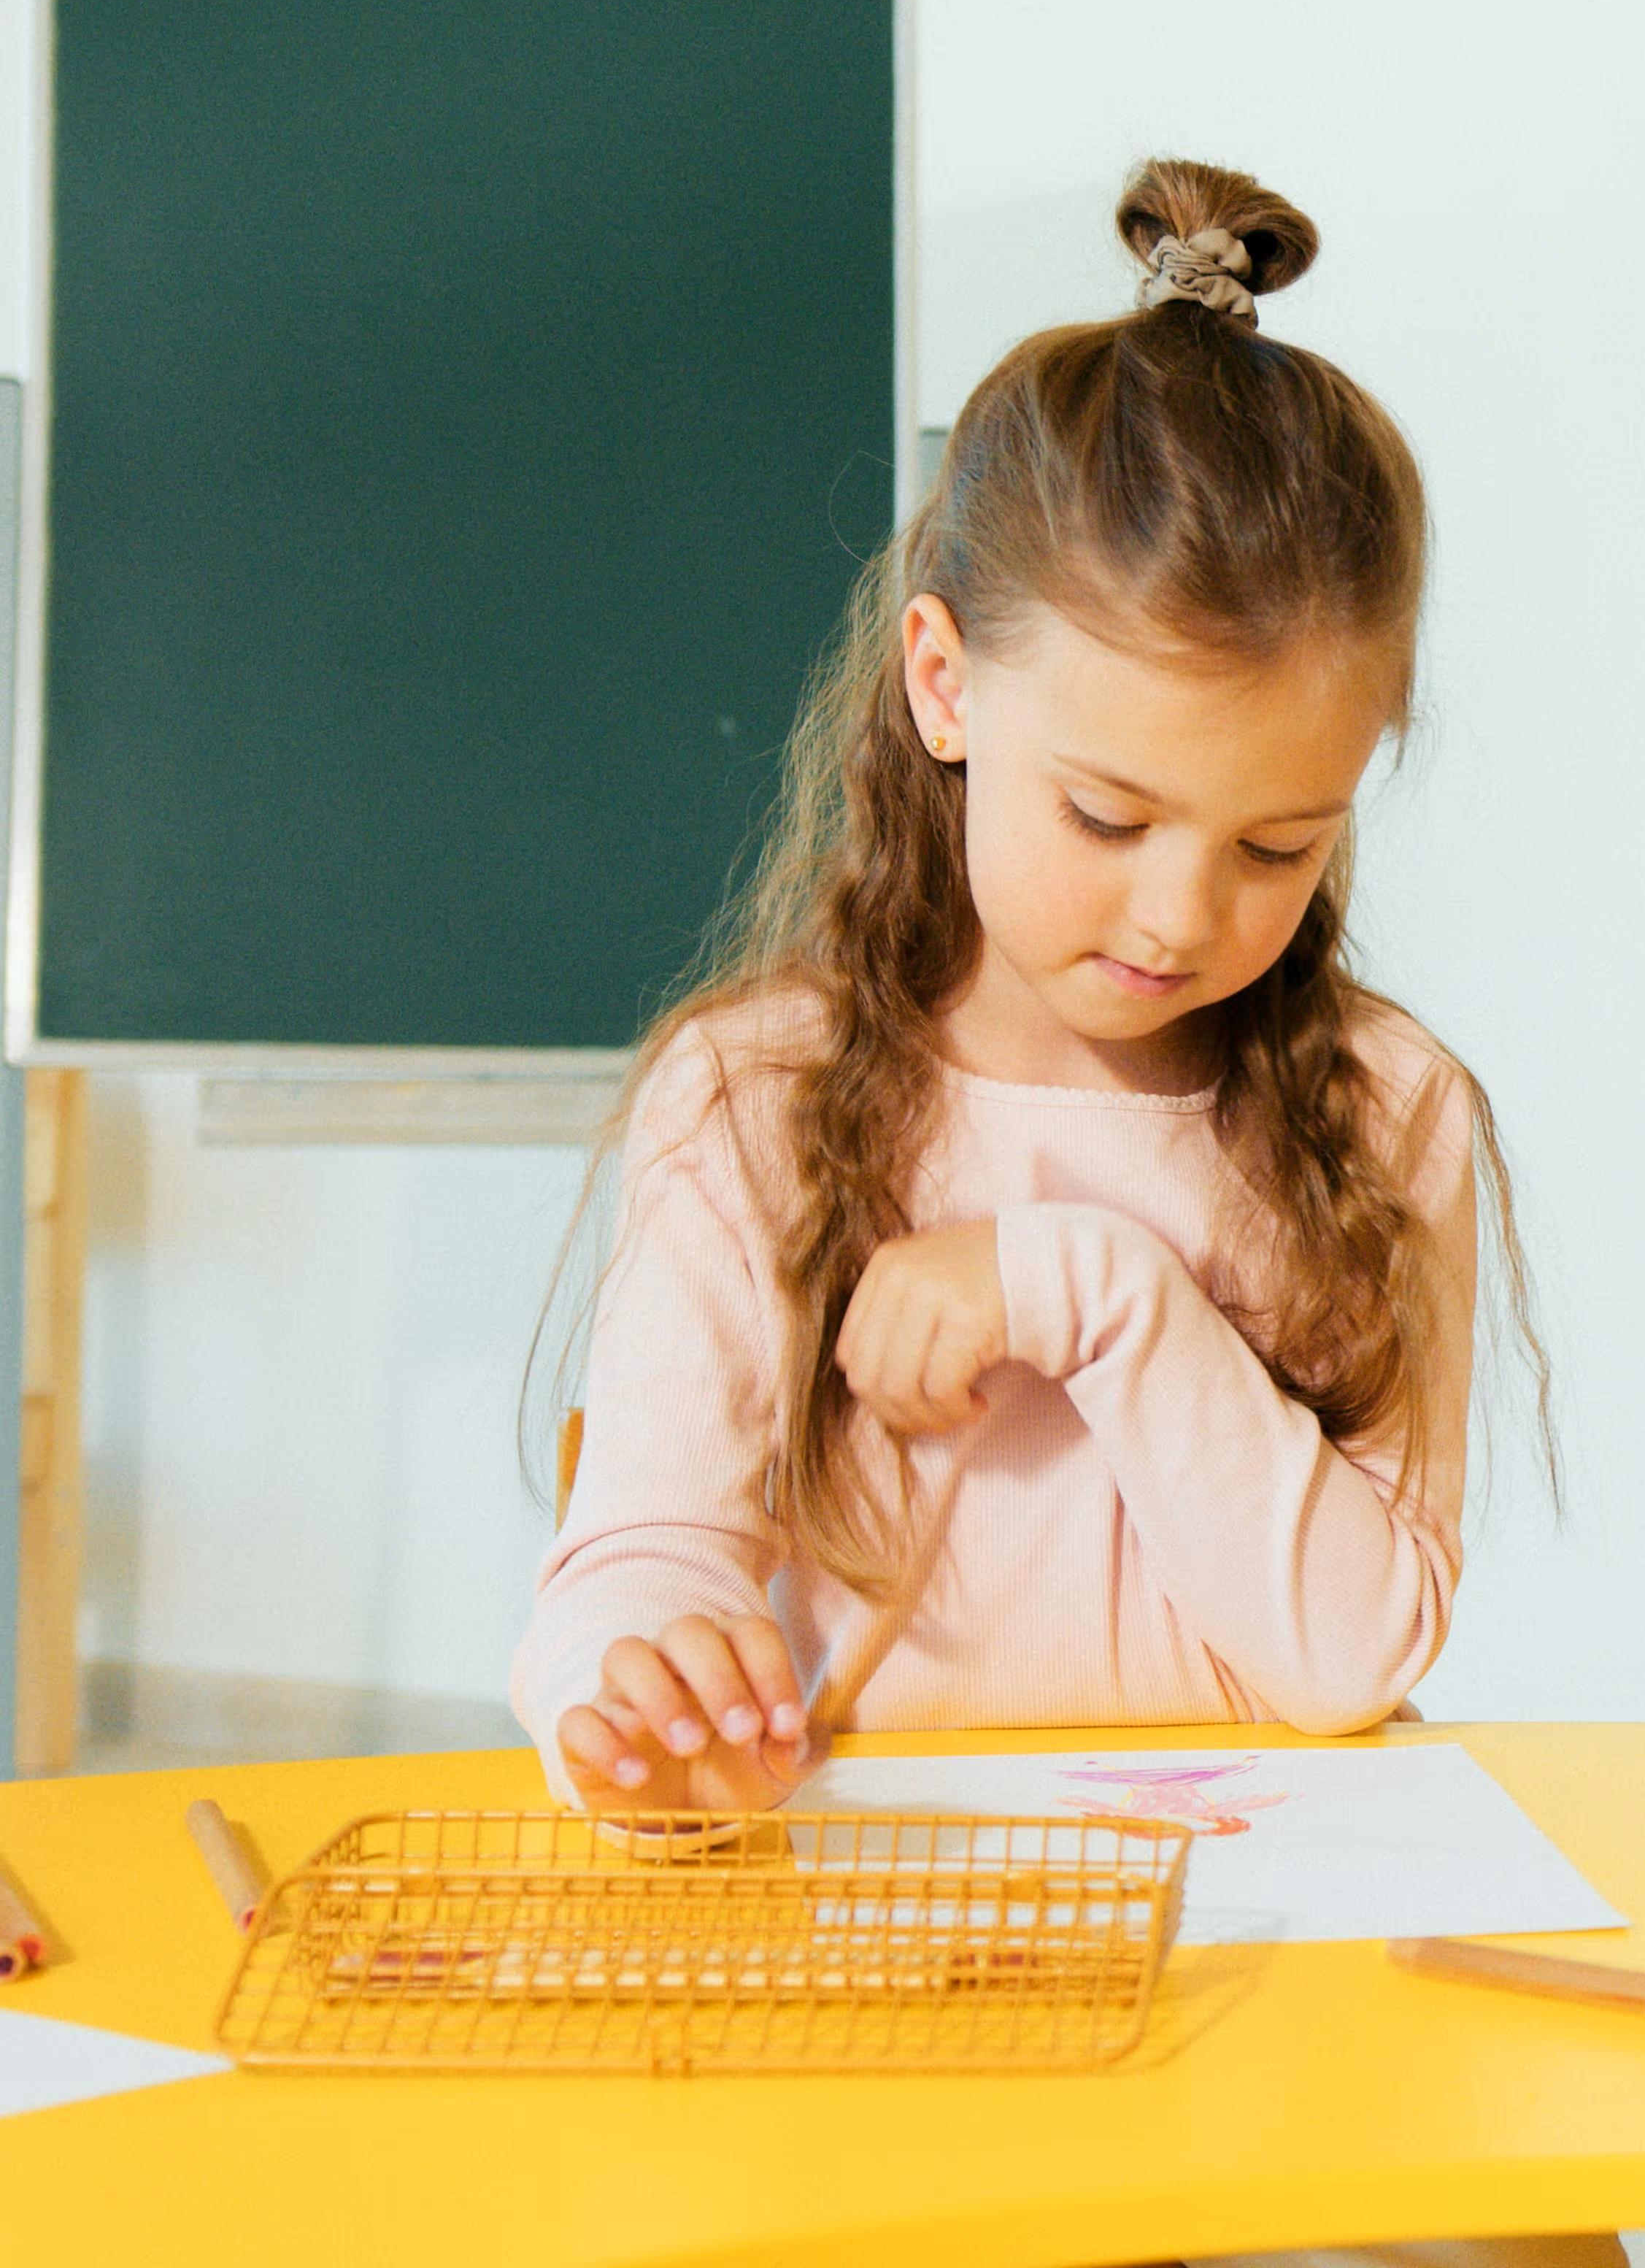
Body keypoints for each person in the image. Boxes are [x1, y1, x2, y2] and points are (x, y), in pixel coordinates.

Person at [512, 160, 1539, 1821]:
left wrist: (1093, 1289)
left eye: (1282, 844)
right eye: (1108, 815)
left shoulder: (1383, 1107)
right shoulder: (751, 1095)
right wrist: (641, 1682)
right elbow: (637, 1559)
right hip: (873, 1943)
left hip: (1267, 1940)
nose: (1181, 913)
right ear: (945, 683)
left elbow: (1354, 1654)